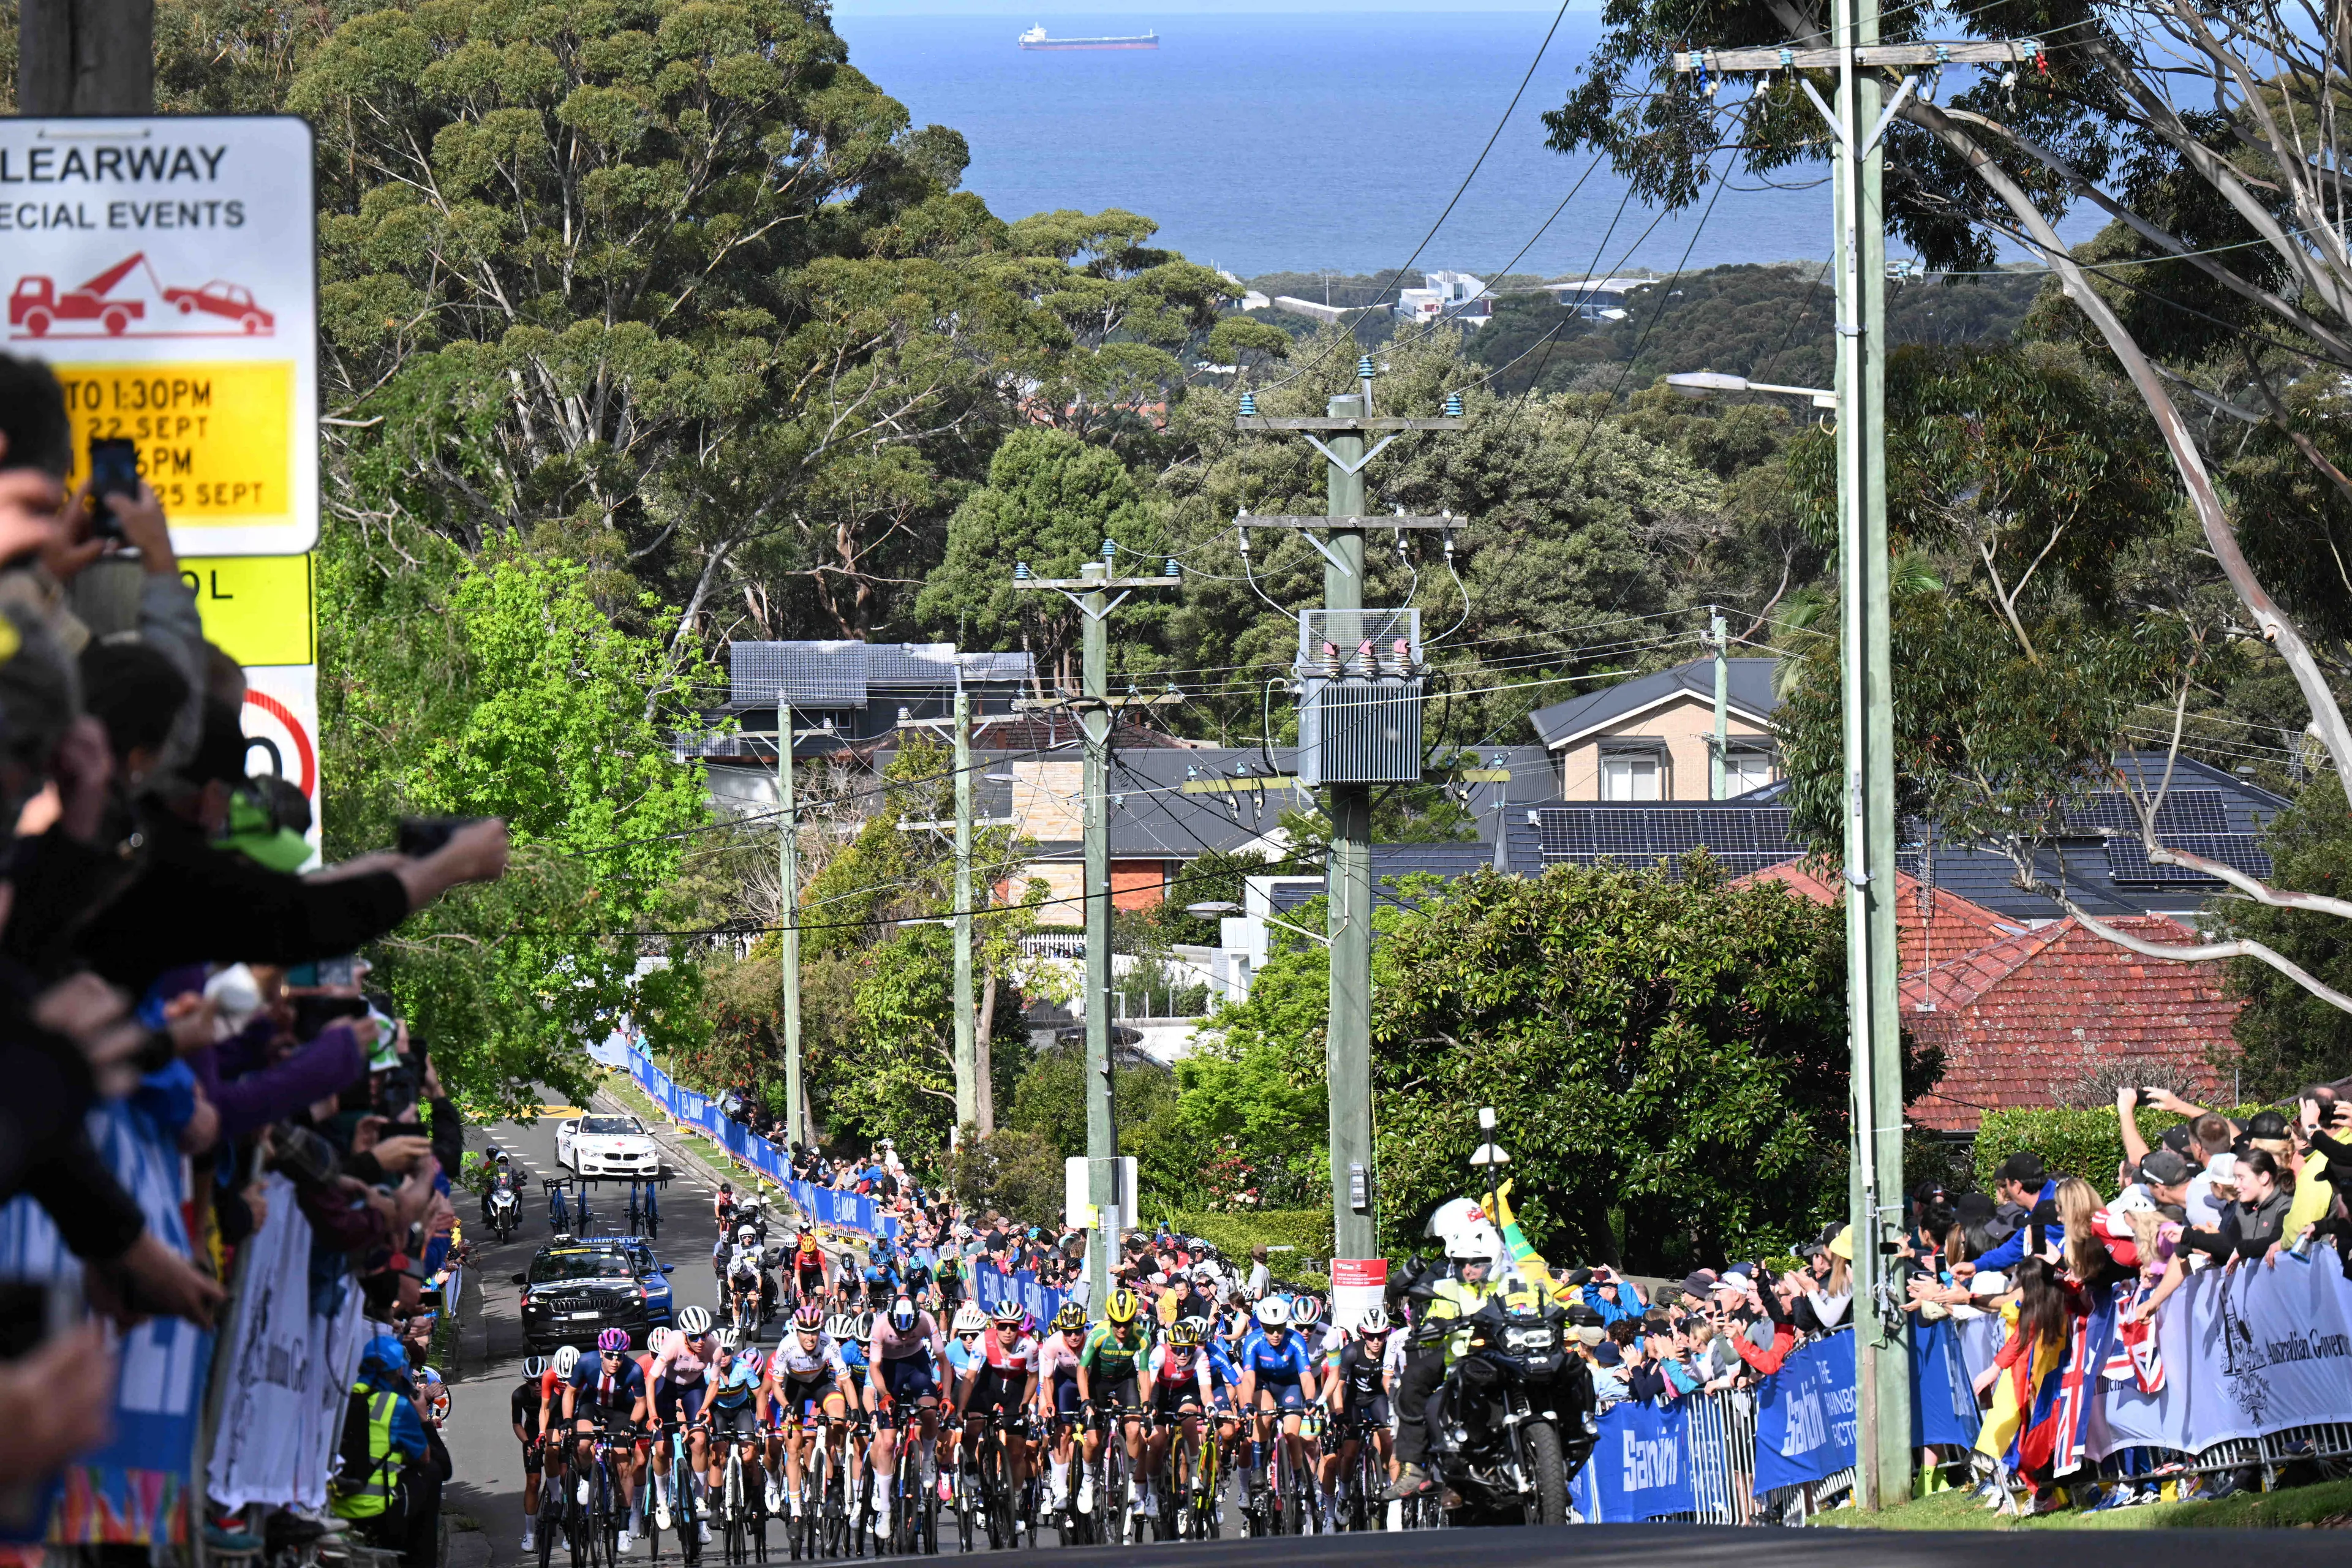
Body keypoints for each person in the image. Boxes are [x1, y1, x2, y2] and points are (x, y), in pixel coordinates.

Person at [1382, 1217, 1502, 1502]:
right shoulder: (1448, 1288)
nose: (1469, 1269)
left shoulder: (1510, 1283)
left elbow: (1542, 1303)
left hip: (1506, 1358)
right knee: (1415, 1382)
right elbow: (1436, 1314)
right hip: (1460, 1362)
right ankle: (1415, 1466)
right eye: (1462, 1263)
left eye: (1476, 1263)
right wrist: (1434, 1326)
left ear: (1492, 1260)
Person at [330, 1335, 434, 1563]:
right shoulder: (396, 1405)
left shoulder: (340, 1398)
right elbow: (423, 1457)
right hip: (377, 1509)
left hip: (334, 1508)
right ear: (399, 1371)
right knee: (430, 1474)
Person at [1233, 1294, 1321, 1524]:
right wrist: (1247, 1404)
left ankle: (1299, 1483)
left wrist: (1310, 1400)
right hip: (1263, 1384)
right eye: (1271, 1329)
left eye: (1280, 1328)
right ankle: (1258, 1470)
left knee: (1292, 1435)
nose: (1276, 1334)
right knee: (1263, 1416)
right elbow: (1248, 1378)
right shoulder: (1253, 1341)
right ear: (1262, 1326)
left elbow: (1306, 1375)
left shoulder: (1295, 1340)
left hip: (1289, 1385)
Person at [953, 1302, 1038, 1542]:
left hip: (1016, 1388)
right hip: (989, 1385)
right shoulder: (983, 1341)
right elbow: (970, 1377)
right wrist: (962, 1408)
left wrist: (1025, 1403)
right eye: (1003, 1326)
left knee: (1017, 1450)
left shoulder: (1029, 1345)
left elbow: (1033, 1377)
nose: (1008, 1331)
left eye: (1013, 1326)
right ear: (995, 1325)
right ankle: (971, 1459)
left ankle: (1016, 1502)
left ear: (1019, 1327)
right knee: (974, 1424)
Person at [864, 1293, 945, 1540]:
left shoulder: (926, 1320)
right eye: (899, 1332)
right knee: (888, 1442)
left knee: (929, 1411)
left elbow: (943, 1361)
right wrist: (885, 1395)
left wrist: (947, 1397)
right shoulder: (880, 1325)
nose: (903, 1336)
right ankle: (885, 1511)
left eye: (908, 1331)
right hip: (889, 1370)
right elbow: (874, 1368)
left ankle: (928, 1459)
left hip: (916, 1365)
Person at [563, 1328, 648, 1550]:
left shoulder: (634, 1370)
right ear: (601, 1353)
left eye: (620, 1356)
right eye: (610, 1355)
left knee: (623, 1467)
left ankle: (623, 1528)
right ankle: (586, 1479)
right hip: (592, 1406)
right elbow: (570, 1392)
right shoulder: (586, 1362)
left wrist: (632, 1424)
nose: (615, 1361)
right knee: (582, 1445)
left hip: (620, 1411)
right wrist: (567, 1420)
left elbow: (641, 1403)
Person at [767, 1303, 851, 1520]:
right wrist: (786, 1406)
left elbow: (845, 1380)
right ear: (797, 1331)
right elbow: (776, 1385)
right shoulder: (787, 1346)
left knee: (839, 1418)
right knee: (793, 1448)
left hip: (822, 1384)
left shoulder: (828, 1343)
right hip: (795, 1389)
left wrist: (856, 1410)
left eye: (814, 1331)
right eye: (805, 1332)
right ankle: (796, 1509)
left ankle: (839, 1467)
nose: (810, 1337)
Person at [1076, 1286, 1154, 1518]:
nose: (1122, 1329)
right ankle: (1088, 1481)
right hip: (1098, 1382)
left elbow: (1144, 1371)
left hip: (1125, 1381)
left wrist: (1147, 1402)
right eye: (1117, 1323)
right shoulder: (1098, 1335)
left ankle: (1129, 1478)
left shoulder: (1142, 1337)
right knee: (1093, 1440)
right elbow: (1082, 1369)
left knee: (1134, 1429)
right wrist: (1086, 1400)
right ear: (1109, 1319)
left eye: (1127, 1323)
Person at [646, 1305, 718, 1542]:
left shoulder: (713, 1346)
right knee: (661, 1449)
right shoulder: (673, 1343)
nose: (700, 1341)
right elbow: (651, 1380)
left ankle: (699, 1499)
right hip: (666, 1387)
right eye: (694, 1337)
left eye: (704, 1335)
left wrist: (704, 1408)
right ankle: (662, 1499)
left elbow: (714, 1383)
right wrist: (652, 1414)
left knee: (700, 1441)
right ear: (685, 1335)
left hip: (693, 1388)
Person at [1321, 1305, 1395, 1524]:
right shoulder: (1351, 1352)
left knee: (1387, 1436)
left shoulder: (1389, 1350)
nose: (1376, 1341)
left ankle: (1384, 1480)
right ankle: (1344, 1494)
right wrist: (1340, 1413)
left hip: (1377, 1398)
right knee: (1350, 1450)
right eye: (1371, 1336)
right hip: (1353, 1400)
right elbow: (1338, 1386)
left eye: (1381, 1335)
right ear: (1363, 1334)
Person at [1035, 1302, 1089, 1515]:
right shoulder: (1053, 1343)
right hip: (1064, 1382)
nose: (1074, 1336)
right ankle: (1060, 1489)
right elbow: (1048, 1379)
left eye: (1078, 1331)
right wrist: (1049, 1403)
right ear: (1061, 1330)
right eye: (1068, 1332)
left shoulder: (1092, 1339)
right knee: (1063, 1432)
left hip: (1089, 1381)